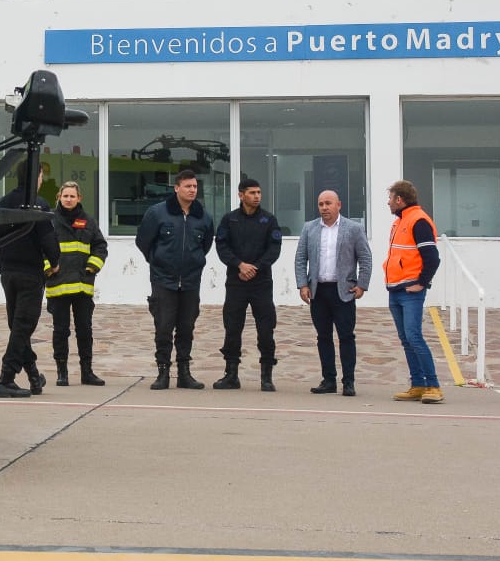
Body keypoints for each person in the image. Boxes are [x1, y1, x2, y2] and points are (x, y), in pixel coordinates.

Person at [135, 168, 215, 390]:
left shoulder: (203, 217)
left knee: (186, 327)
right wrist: (158, 261)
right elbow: (143, 242)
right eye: (188, 186)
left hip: (190, 281)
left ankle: (184, 373)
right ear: (177, 188)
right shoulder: (157, 213)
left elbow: (205, 246)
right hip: (163, 281)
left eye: (195, 186)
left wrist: (194, 261)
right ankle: (163, 372)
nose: (192, 190)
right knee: (163, 327)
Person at [0, 165, 60, 398]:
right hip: (30, 275)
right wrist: (54, 262)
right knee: (23, 327)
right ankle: (5, 379)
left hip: (8, 274)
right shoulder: (38, 204)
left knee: (18, 327)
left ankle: (34, 376)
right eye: (40, 176)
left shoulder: (3, 202)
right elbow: (49, 241)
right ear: (35, 177)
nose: (41, 180)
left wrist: (3, 267)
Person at [293, 189, 373, 397]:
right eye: (321, 204)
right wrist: (303, 284)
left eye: (328, 203)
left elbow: (365, 257)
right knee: (323, 337)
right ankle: (328, 380)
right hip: (318, 291)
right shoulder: (309, 228)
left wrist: (362, 285)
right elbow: (301, 258)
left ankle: (348, 382)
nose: (324, 208)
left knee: (346, 336)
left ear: (339, 205)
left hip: (343, 291)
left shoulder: (353, 229)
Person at [212, 178, 283, 391]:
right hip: (236, 282)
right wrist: (239, 265)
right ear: (241, 195)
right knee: (232, 327)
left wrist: (255, 268)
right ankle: (231, 374)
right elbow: (222, 246)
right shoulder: (229, 220)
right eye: (252, 192)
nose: (257, 196)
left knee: (266, 329)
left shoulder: (269, 220)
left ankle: (266, 376)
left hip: (261, 283)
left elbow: (274, 248)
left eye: (259, 192)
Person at [384, 179, 443, 404]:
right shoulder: (400, 221)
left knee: (414, 337)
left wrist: (422, 283)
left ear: (399, 199)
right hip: (396, 289)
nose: (388, 203)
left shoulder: (418, 221)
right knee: (406, 339)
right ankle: (418, 384)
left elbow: (432, 258)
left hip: (410, 291)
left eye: (390, 199)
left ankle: (433, 385)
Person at [46, 181, 108, 386]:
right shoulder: (50, 221)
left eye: (73, 196)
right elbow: (39, 247)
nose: (69, 199)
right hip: (59, 285)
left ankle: (87, 372)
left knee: (85, 330)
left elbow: (100, 246)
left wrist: (92, 267)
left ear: (79, 198)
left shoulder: (88, 221)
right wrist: (48, 267)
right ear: (59, 197)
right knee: (61, 331)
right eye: (66, 196)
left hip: (82, 285)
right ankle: (62, 372)